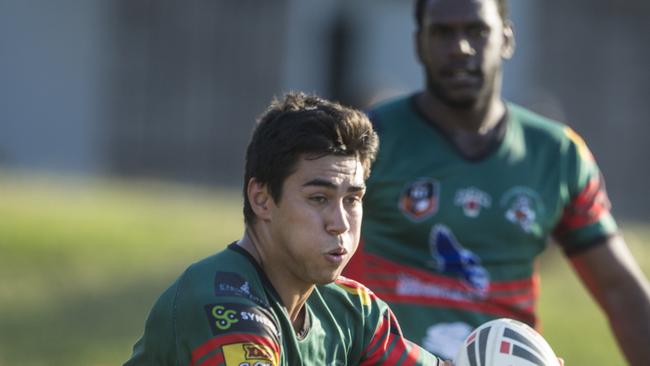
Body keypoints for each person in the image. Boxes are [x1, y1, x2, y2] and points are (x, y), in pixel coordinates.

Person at [343, 0, 650, 364]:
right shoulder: (365, 139)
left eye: (476, 31)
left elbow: (619, 291)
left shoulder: (557, 155)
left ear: (506, 39)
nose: (460, 47)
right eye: (443, 32)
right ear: (419, 43)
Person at [124, 92, 448, 365]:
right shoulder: (222, 303)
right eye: (318, 198)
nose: (339, 223)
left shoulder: (352, 310)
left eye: (352, 199)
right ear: (262, 199)